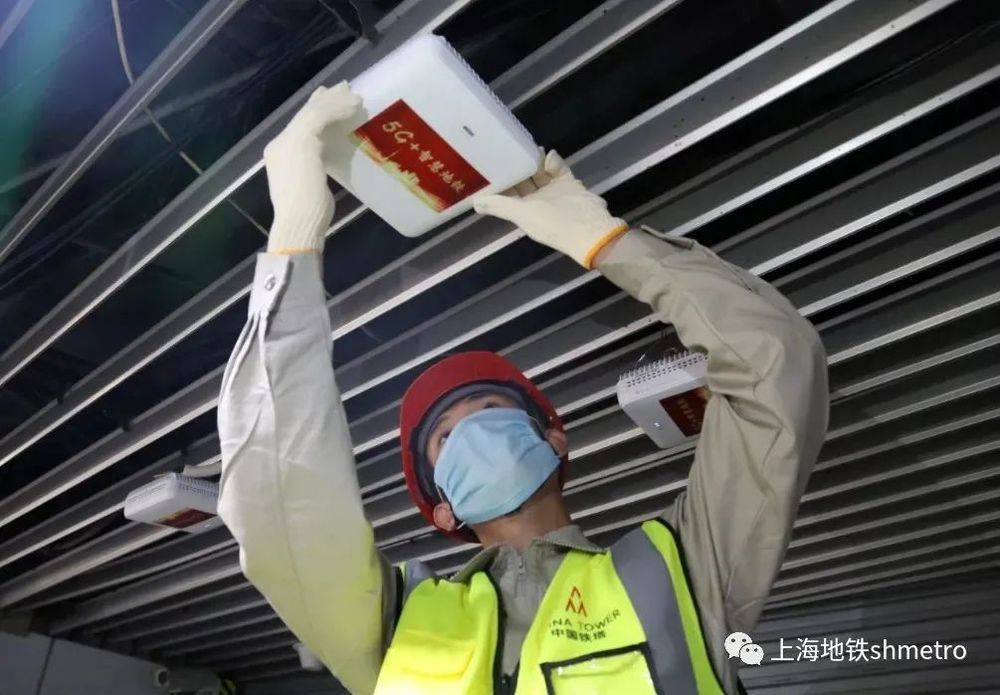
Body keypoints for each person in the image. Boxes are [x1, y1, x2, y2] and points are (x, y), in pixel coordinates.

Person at [217, 82, 829, 694]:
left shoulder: (685, 571)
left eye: (490, 407)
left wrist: (612, 246)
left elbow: (773, 363)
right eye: (447, 436)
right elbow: (279, 515)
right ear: (442, 509)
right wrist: (292, 247)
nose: (474, 426)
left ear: (555, 442)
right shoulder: (395, 624)